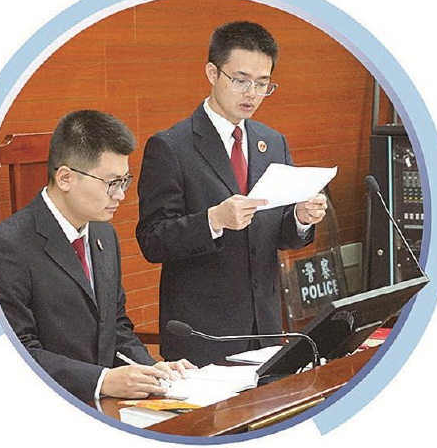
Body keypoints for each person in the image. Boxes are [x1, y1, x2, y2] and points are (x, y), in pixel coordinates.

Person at [136, 21, 328, 367]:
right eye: (240, 80)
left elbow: (278, 234)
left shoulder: (273, 142)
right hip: (202, 334)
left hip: (265, 328)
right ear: (212, 73)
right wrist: (213, 220)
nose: (251, 93)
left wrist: (300, 219)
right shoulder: (171, 146)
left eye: (262, 83)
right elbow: (152, 240)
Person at [0, 110, 194, 403]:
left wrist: (150, 369)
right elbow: (16, 351)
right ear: (66, 178)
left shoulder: (103, 234)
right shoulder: (8, 246)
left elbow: (116, 325)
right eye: (111, 183)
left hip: (106, 403)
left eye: (124, 181)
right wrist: (102, 381)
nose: (120, 195)